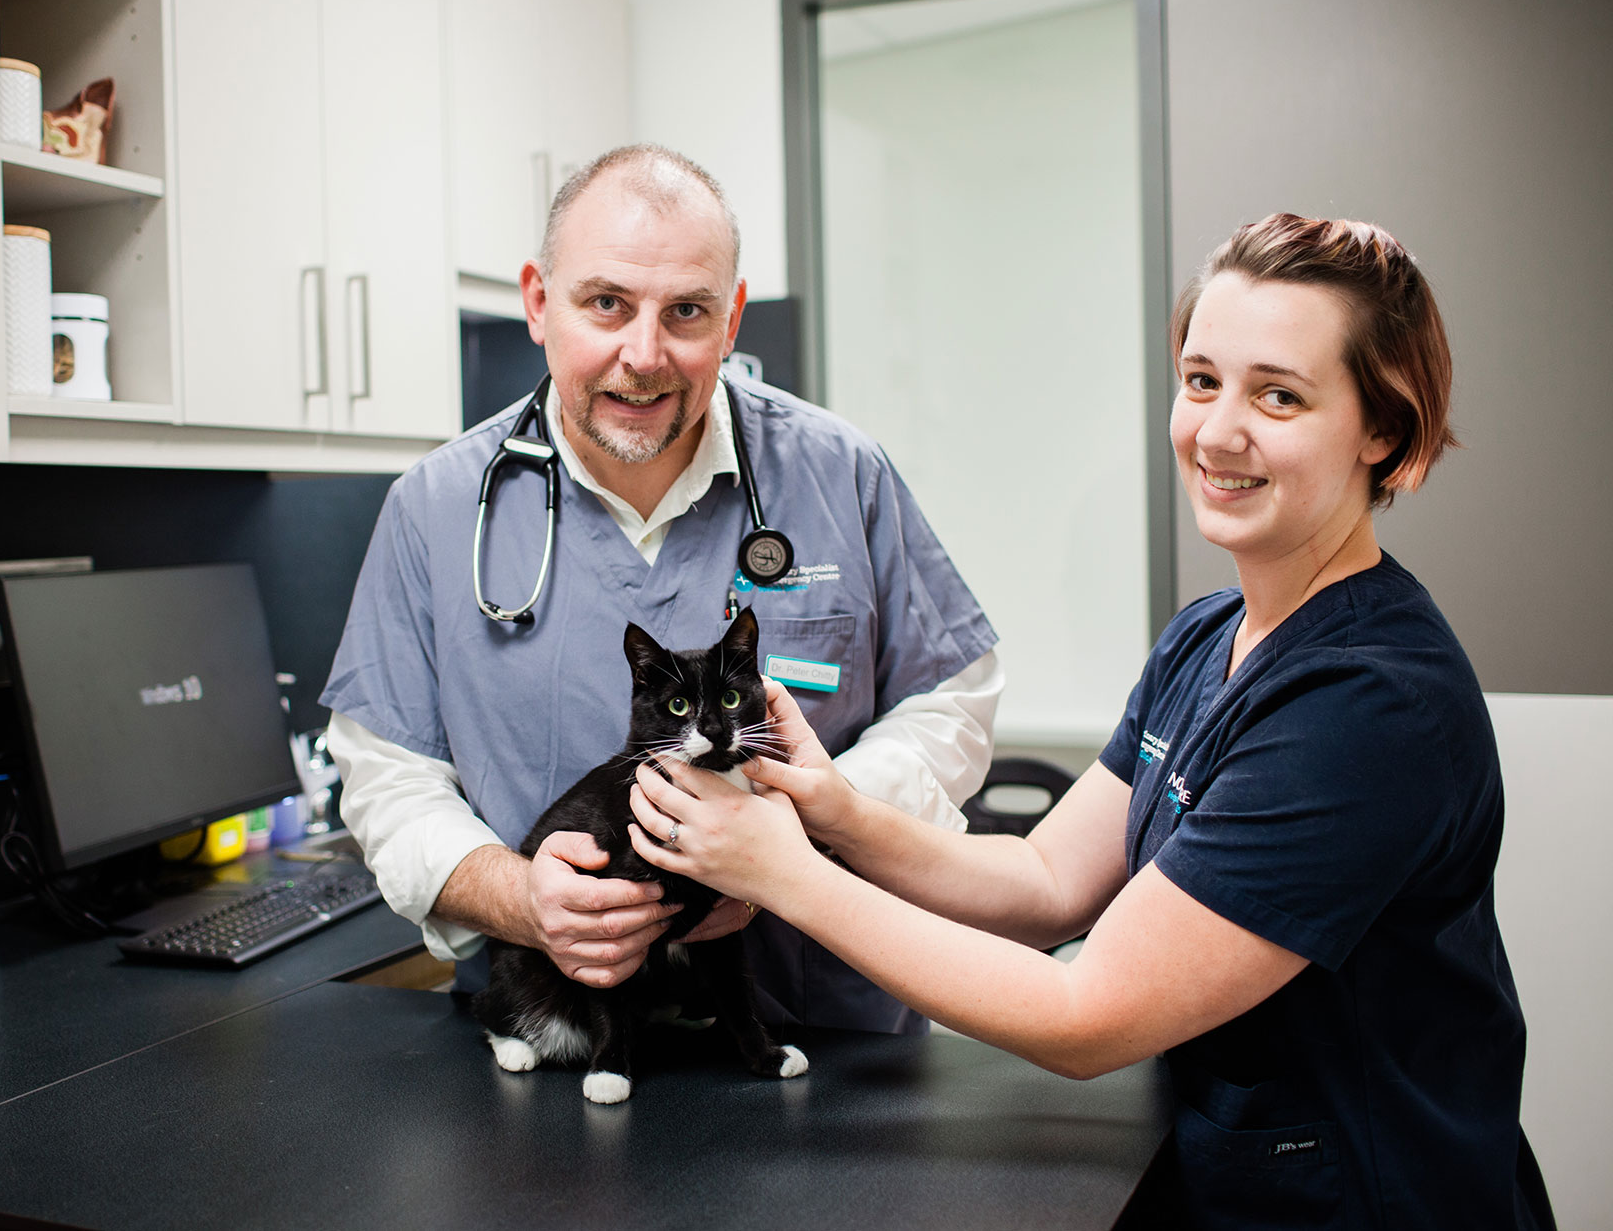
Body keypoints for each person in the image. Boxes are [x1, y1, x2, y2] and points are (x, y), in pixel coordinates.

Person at [627, 214, 1554, 1228]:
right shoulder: (1210, 634)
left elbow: (1087, 1014)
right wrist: (835, 809)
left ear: (1383, 428)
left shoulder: (1370, 704)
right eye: (1202, 380)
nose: (1220, 428)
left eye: (1279, 394)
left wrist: (784, 873)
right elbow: (1046, 881)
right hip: (1224, 1171)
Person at [319, 144, 1002, 1033]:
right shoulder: (435, 512)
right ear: (537, 301)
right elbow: (388, 778)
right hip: (559, 1034)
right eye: (606, 303)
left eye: (686, 311)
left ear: (732, 318)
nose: (643, 355)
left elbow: (952, 703)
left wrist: (790, 851)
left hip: (819, 1034)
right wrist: (525, 897)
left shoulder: (842, 475)